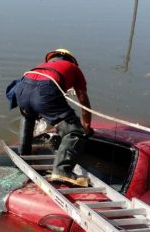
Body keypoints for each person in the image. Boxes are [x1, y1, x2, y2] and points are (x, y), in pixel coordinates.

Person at [6, 49, 92, 187]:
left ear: (52, 59)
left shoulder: (41, 66)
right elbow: (83, 99)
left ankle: (24, 154)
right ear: (70, 60)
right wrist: (86, 125)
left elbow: (33, 91)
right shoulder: (73, 68)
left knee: (28, 117)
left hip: (22, 89)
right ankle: (62, 171)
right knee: (74, 131)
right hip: (45, 90)